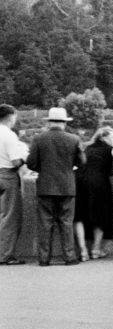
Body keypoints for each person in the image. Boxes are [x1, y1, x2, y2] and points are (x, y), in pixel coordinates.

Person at [25, 106, 86, 266]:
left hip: (45, 186)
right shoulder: (74, 139)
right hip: (67, 186)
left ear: (49, 122)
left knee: (45, 223)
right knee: (66, 222)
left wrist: (44, 170)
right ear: (64, 123)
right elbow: (82, 162)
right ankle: (70, 257)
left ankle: (44, 259)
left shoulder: (39, 139)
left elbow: (31, 163)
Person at [73, 125, 113, 260]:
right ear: (104, 137)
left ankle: (83, 251)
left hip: (79, 181)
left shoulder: (86, 147)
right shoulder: (111, 150)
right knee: (100, 215)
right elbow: (111, 172)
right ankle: (96, 250)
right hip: (99, 183)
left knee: (79, 215)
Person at [0, 104, 29, 265]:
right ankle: (5, 255)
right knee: (10, 217)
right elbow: (16, 161)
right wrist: (25, 156)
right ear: (11, 117)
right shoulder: (9, 135)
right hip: (7, 176)